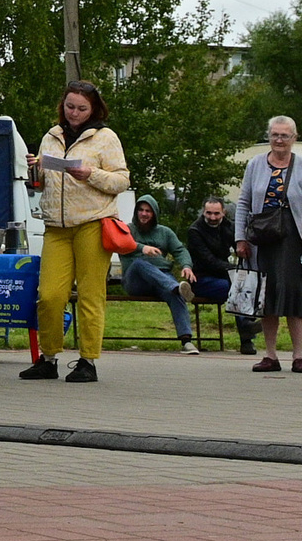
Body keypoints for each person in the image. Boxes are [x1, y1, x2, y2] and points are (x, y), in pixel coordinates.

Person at [26, 83, 130, 382]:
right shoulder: (51, 135)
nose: (74, 113)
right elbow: (40, 184)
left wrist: (90, 174)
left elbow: (121, 181)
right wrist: (35, 169)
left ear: (94, 109)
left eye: (82, 108)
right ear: (63, 105)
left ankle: (88, 361)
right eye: (70, 106)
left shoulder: (106, 137)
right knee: (49, 295)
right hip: (56, 227)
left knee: (89, 294)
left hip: (92, 223)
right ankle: (48, 358)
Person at [234, 118, 302, 373]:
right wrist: (240, 238)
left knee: (294, 292)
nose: (279, 140)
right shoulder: (255, 164)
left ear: (294, 137)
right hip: (262, 237)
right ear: (268, 136)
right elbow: (244, 202)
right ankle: (270, 355)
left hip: (294, 237)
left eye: (285, 135)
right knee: (266, 294)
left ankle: (299, 356)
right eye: (275, 135)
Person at [121, 196, 199, 354]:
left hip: (161, 277)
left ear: (154, 213)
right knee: (140, 264)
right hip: (136, 280)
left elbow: (180, 250)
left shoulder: (164, 232)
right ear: (136, 212)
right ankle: (175, 287)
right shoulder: (127, 230)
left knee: (174, 293)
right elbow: (120, 243)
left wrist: (186, 266)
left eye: (148, 211)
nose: (144, 214)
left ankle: (186, 341)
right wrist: (143, 248)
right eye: (141, 210)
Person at [187, 198, 246, 353]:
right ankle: (247, 332)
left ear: (223, 212)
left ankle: (246, 338)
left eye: (216, 214)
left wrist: (243, 268)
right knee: (233, 288)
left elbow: (241, 248)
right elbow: (208, 261)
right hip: (200, 279)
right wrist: (234, 269)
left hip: (223, 276)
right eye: (209, 213)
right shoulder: (195, 231)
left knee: (241, 285)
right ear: (203, 212)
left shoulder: (230, 227)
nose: (212, 217)